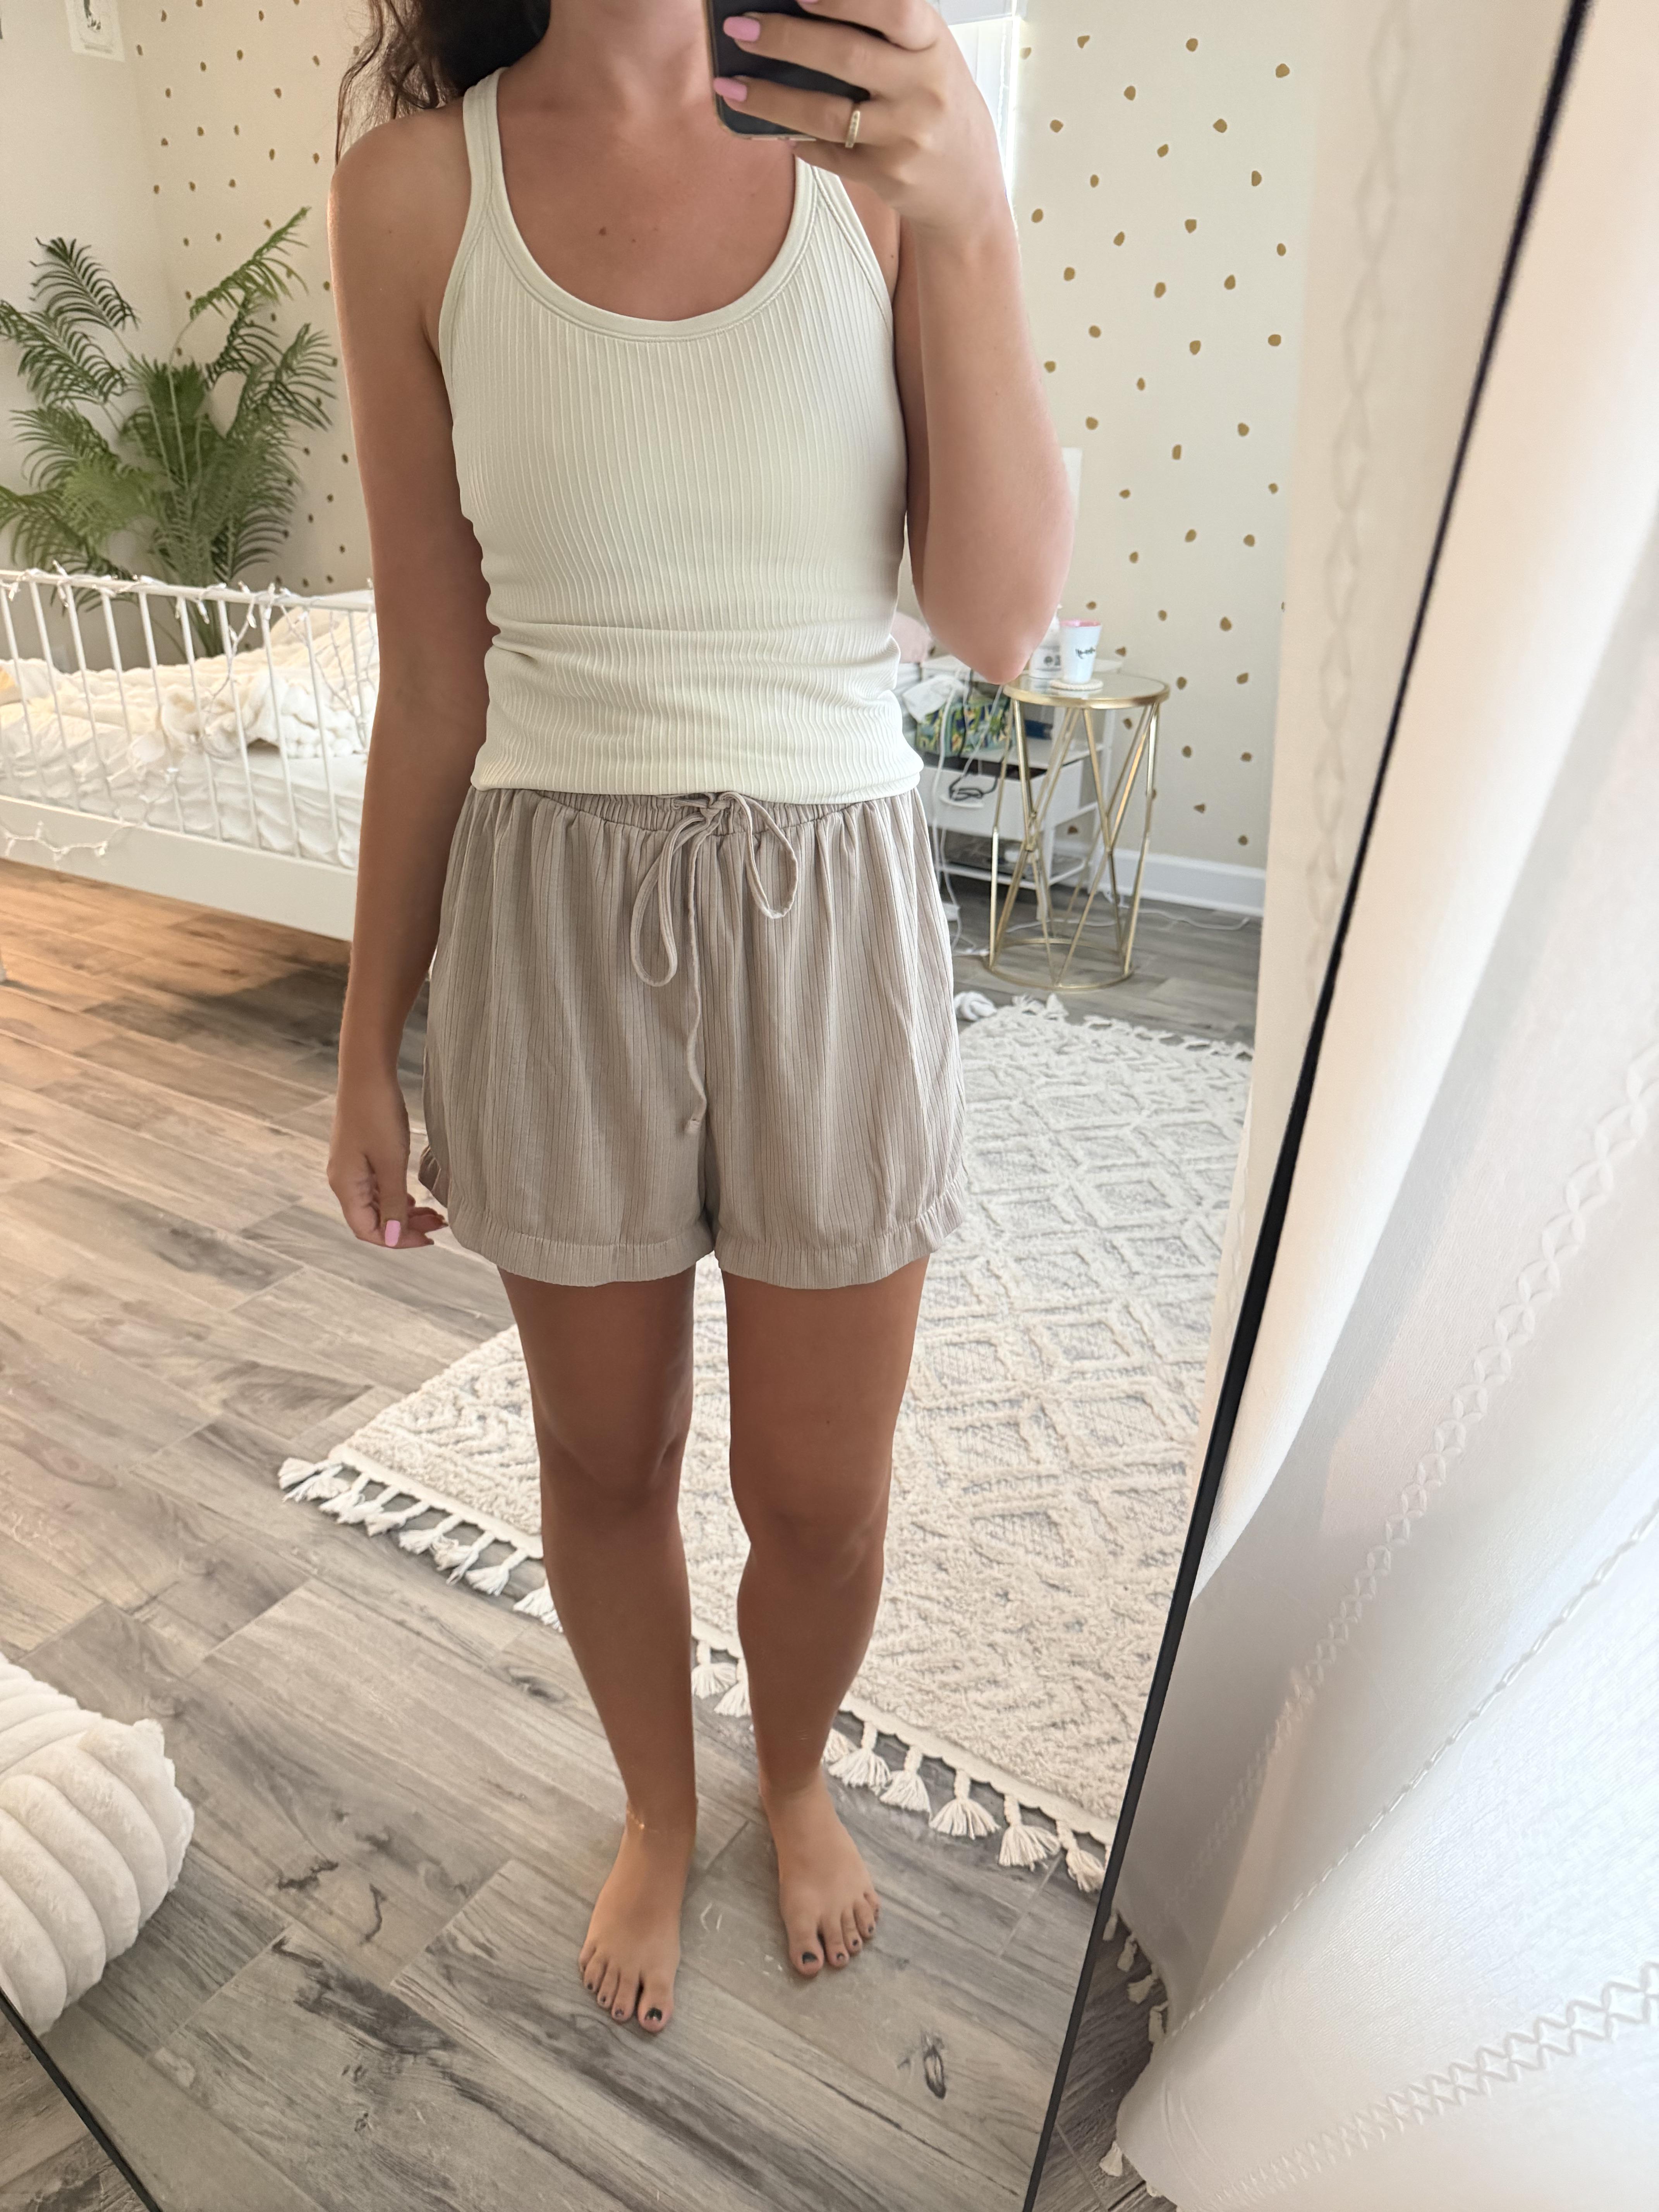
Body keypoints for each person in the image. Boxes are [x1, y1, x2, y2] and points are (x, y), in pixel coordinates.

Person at [325, 0, 1070, 2036]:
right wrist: (367, 1035)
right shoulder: (413, 192)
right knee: (601, 1456)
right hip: (550, 909)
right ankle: (659, 1807)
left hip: (835, 906)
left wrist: (973, 211)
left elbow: (1003, 621)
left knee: (821, 1504)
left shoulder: (882, 149)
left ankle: (793, 1774)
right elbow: (434, 675)